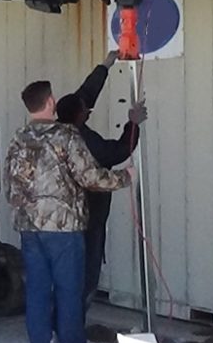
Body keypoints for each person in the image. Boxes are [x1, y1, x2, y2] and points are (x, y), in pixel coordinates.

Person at [5, 80, 134, 343]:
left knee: (37, 292)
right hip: (63, 228)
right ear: (50, 102)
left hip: (29, 227)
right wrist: (125, 177)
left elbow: (10, 181)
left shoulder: (18, 138)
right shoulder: (66, 136)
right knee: (69, 291)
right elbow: (90, 177)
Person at [56, 51, 147, 319]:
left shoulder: (56, 130)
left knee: (59, 279)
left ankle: (55, 333)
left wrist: (105, 65)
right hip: (86, 219)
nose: (89, 110)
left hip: (57, 221)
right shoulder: (81, 139)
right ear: (81, 116)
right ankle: (71, 334)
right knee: (84, 279)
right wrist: (133, 123)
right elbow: (116, 152)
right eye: (87, 111)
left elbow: (82, 97)